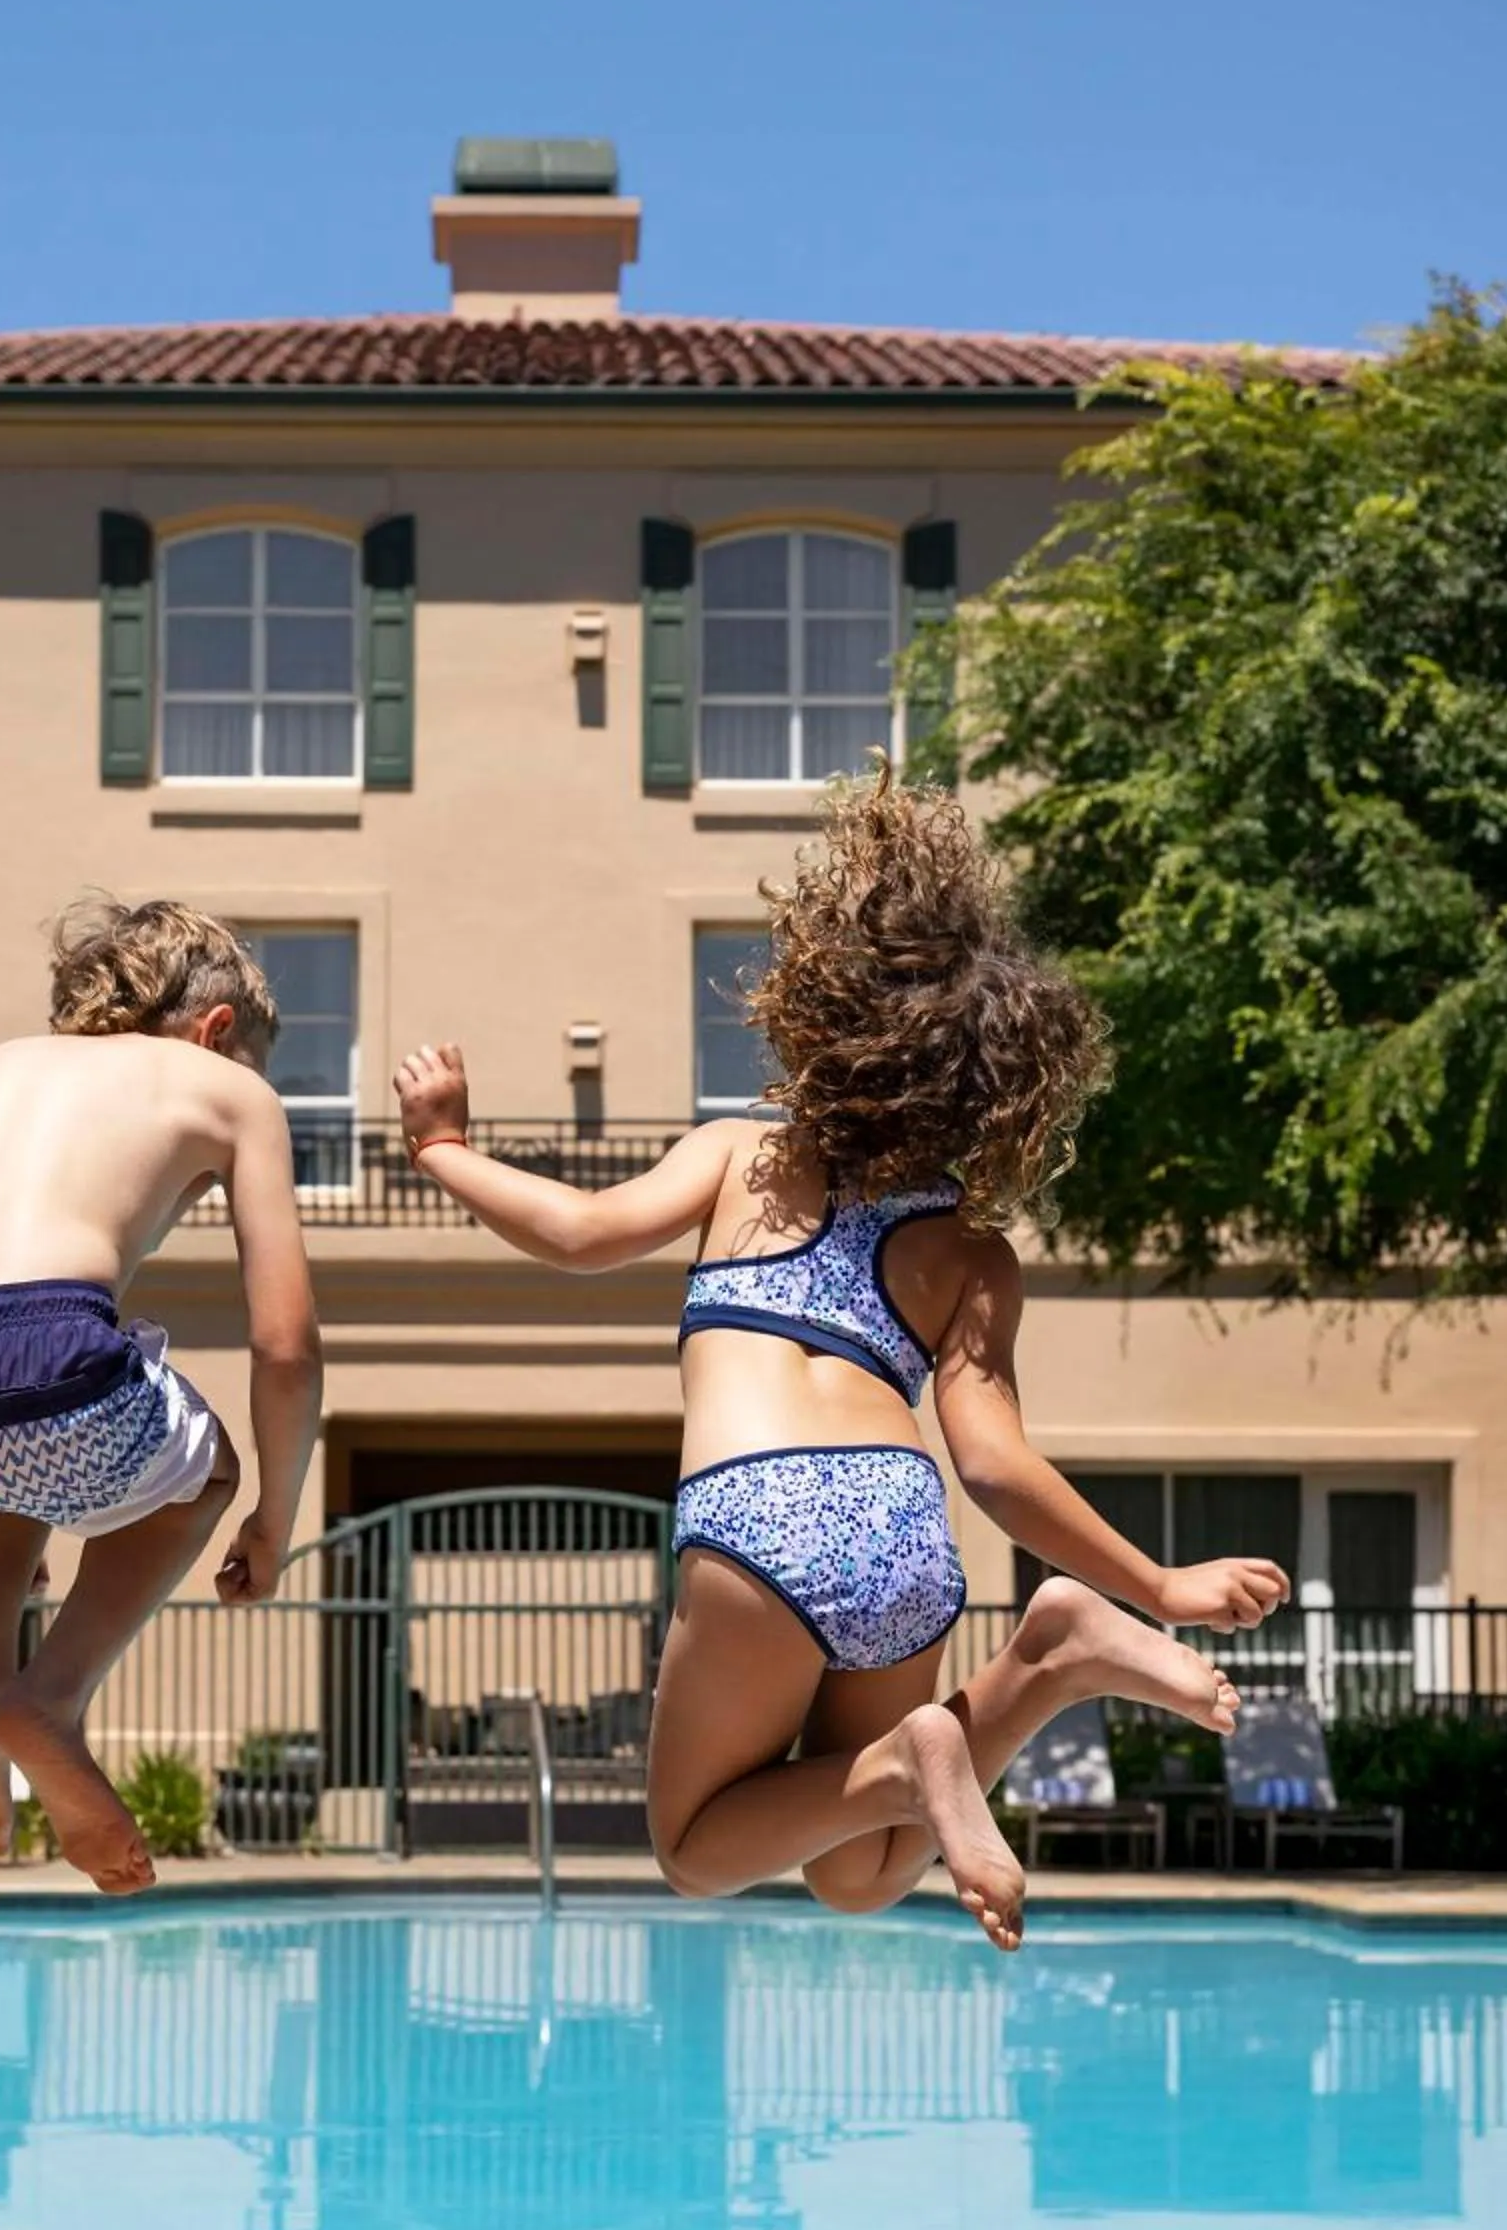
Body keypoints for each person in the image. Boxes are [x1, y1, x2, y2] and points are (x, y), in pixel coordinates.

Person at [394, 768, 1289, 1948]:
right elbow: (994, 1467)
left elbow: (574, 1233)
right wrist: (1160, 1586)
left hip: (758, 1511)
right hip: (899, 1524)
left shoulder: (740, 1158)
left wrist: (444, 1147)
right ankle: (1053, 1652)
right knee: (856, 1875)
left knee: (696, 1846)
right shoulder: (973, 1253)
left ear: (824, 1022)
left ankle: (923, 1758)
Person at [0, 898, 321, 1892]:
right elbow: (286, 1346)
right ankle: (50, 1696)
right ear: (218, 1033)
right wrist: (270, 1515)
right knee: (194, 1459)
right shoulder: (225, 1090)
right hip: (32, 1371)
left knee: (13, 1420)